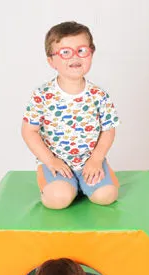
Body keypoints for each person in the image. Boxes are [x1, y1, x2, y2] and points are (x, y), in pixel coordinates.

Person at [21, 21, 120, 210]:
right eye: (65, 52)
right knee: (59, 199)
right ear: (51, 60)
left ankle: (86, 184)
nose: (74, 57)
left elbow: (109, 129)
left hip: (89, 162)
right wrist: (50, 160)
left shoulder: (99, 95)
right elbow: (29, 131)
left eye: (81, 50)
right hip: (57, 163)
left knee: (106, 196)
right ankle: (63, 185)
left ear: (91, 53)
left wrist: (96, 159)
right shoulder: (42, 95)